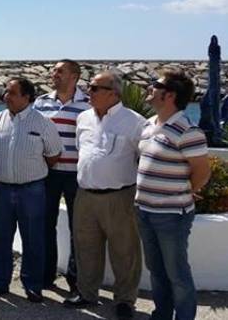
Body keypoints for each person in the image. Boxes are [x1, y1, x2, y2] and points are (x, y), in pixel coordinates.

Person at [64, 71, 146, 320]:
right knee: (86, 247)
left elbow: (142, 159)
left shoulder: (135, 122)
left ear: (114, 93)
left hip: (119, 196)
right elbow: (83, 150)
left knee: (125, 252)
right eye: (89, 87)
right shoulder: (83, 118)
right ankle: (87, 293)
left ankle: (124, 301)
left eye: (95, 88)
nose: (89, 91)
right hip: (85, 194)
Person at [136, 70, 210, 320]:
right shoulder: (149, 126)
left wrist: (187, 190)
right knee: (156, 270)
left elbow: (202, 171)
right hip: (144, 211)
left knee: (177, 273)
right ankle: (162, 315)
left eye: (153, 85)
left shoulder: (188, 131)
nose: (148, 88)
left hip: (171, 216)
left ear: (169, 95)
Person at [0, 78, 63, 303]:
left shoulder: (43, 123)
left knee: (33, 239)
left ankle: (32, 285)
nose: (5, 97)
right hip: (1, 189)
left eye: (11, 93)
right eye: (5, 92)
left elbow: (53, 156)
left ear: (26, 97)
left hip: (32, 190)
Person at [33, 59, 91, 293]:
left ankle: (75, 280)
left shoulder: (88, 104)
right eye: (53, 71)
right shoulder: (41, 102)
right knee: (45, 225)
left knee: (79, 227)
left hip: (77, 176)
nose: (53, 74)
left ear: (75, 76)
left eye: (60, 71)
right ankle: (46, 275)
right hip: (47, 174)